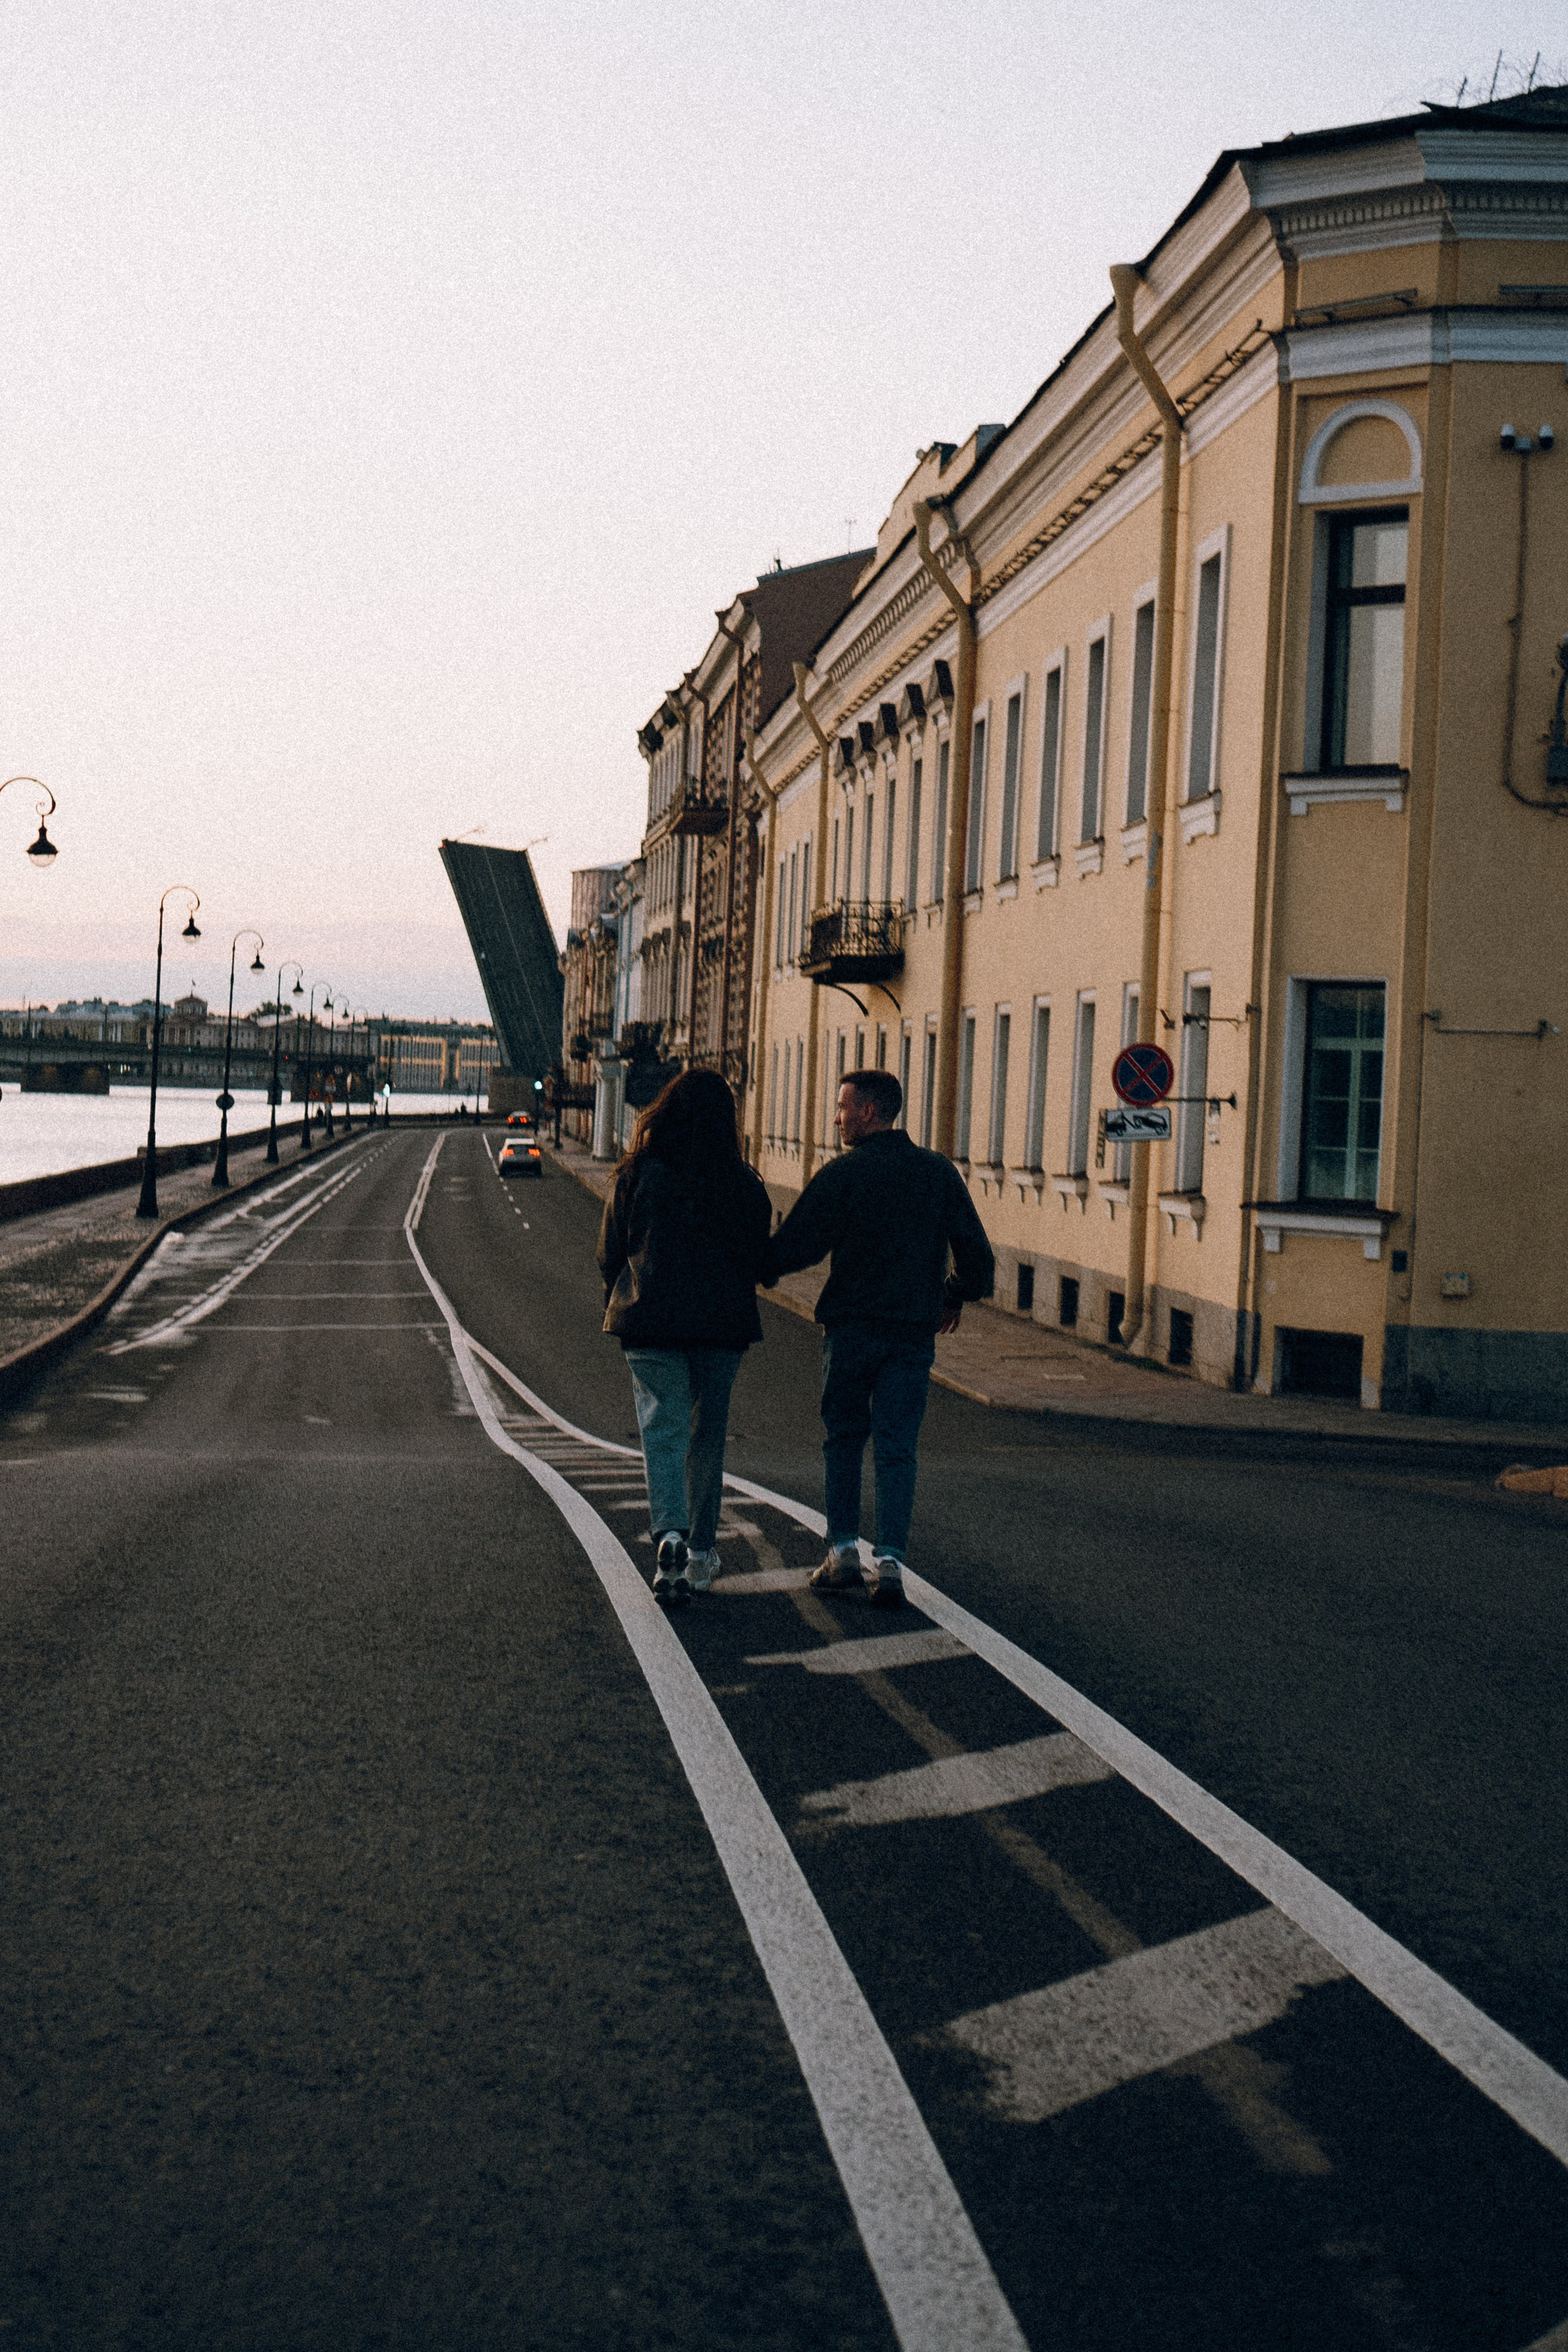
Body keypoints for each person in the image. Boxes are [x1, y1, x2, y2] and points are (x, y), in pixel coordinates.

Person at [766, 1066, 993, 1607]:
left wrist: (748, 1264)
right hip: (913, 1335)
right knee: (898, 1448)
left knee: (843, 1437)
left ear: (869, 1112)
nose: (837, 1117)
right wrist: (952, 1293)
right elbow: (981, 1267)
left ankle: (842, 1553)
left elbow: (797, 1247)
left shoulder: (844, 1175)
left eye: (843, 1107)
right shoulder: (939, 1174)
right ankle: (889, 1563)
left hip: (852, 1331)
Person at [597, 1068, 773, 1607]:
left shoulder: (636, 1175)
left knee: (663, 1432)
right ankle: (700, 1555)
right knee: (708, 1435)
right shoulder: (744, 1184)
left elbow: (609, 1252)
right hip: (722, 1328)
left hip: (650, 1323)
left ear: (665, 1111)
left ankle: (668, 1535)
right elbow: (757, 1257)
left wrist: (623, 1291)